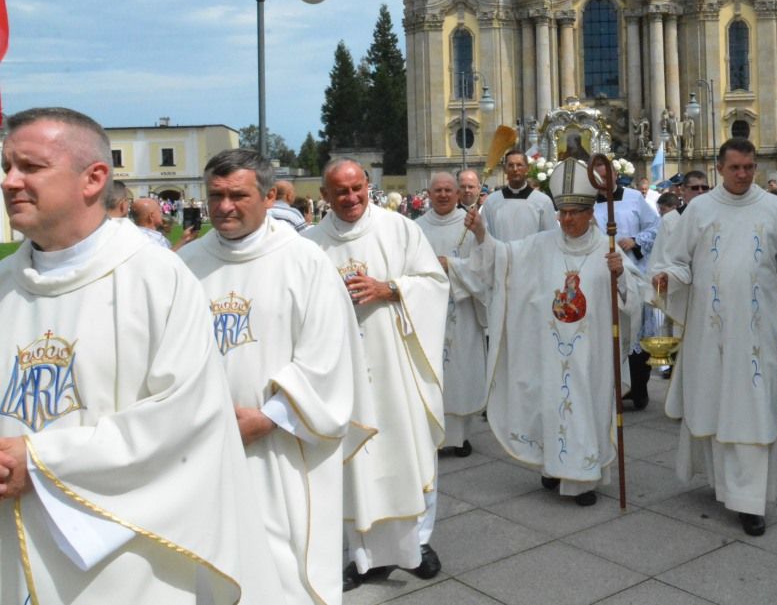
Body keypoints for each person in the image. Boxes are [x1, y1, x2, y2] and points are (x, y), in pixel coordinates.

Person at [0, 107, 283, 603]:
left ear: (94, 178)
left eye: (31, 167)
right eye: (6, 167)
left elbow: (185, 419)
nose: (11, 182)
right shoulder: (5, 285)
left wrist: (44, 463)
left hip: (120, 550)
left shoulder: (157, 278)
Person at [180, 148, 360, 605]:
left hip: (282, 444)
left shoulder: (305, 261)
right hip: (204, 445)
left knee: (282, 562)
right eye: (215, 195)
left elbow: (328, 356)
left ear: (267, 197)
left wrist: (269, 416)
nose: (224, 207)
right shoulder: (184, 266)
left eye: (237, 195)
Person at [652, 138, 777, 536]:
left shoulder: (775, 209)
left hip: (756, 335)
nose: (743, 174)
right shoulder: (700, 209)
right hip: (710, 332)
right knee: (715, 404)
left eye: (749, 167)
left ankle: (751, 501)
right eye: (735, 167)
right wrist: (667, 277)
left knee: (753, 409)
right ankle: (723, 484)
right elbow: (676, 259)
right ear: (720, 169)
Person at [452, 160, 641, 506]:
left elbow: (633, 299)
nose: (566, 220)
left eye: (574, 213)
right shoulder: (541, 244)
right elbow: (504, 258)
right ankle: (553, 467)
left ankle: (583, 479)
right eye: (562, 212)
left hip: (591, 352)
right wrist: (482, 233)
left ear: (589, 212)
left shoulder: (606, 249)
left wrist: (621, 277)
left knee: (585, 405)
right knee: (552, 403)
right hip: (551, 348)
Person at [306, 159, 449, 589]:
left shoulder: (399, 229)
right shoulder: (310, 244)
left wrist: (390, 289)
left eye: (357, 188)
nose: (350, 198)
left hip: (395, 365)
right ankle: (363, 555)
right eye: (340, 192)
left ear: (368, 185)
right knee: (354, 462)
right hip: (342, 371)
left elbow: (435, 282)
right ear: (324, 195)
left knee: (408, 448)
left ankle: (417, 544)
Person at [416, 172, 487, 457]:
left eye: (449, 190)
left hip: (463, 311)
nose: (444, 195)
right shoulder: (416, 228)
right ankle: (431, 434)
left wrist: (453, 265)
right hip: (427, 313)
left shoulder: (471, 224)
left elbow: (484, 266)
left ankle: (460, 437)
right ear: (428, 194)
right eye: (438, 190)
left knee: (460, 372)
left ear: (458, 194)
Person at [593, 162, 660, 411]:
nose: (602, 179)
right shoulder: (589, 205)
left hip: (634, 272)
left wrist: (635, 240)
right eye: (597, 176)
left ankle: (639, 390)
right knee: (610, 334)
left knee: (636, 331)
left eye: (606, 174)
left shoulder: (633, 198)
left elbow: (656, 226)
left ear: (615, 174)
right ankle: (614, 388)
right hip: (604, 274)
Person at [480, 148, 557, 241]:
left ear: (527, 168)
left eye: (519, 165)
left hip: (532, 255)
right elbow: (485, 235)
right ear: (505, 169)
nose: (515, 169)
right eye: (511, 165)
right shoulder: (492, 201)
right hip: (501, 255)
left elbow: (550, 237)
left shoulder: (543, 201)